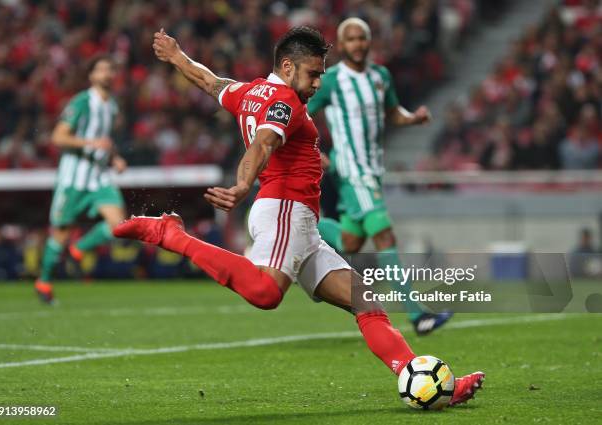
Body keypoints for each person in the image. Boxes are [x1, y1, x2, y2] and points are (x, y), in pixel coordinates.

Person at [114, 26, 483, 405]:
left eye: (322, 73)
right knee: (264, 292)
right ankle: (170, 234)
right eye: (313, 73)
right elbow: (264, 142)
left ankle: (434, 386)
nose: (319, 82)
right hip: (285, 208)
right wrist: (243, 183)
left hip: (300, 222)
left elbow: (209, 82)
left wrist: (177, 56)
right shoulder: (284, 101)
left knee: (365, 299)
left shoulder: (249, 92)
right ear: (287, 67)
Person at [307, 18, 452, 335]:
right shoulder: (331, 81)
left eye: (362, 38)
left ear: (369, 42)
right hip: (351, 171)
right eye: (351, 39)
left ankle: (304, 243)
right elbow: (301, 112)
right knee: (385, 237)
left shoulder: (380, 76)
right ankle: (417, 315)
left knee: (350, 241)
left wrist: (412, 119)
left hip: (372, 171)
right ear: (341, 45)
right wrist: (312, 149)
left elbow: (392, 112)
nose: (358, 44)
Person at [35, 55, 128, 304]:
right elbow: (58, 137)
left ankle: (78, 250)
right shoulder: (82, 102)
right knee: (61, 233)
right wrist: (91, 143)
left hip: (98, 177)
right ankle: (43, 282)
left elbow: (104, 139)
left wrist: (115, 157)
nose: (107, 73)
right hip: (73, 178)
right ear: (91, 76)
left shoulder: (112, 106)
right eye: (101, 69)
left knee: (118, 224)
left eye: (110, 69)